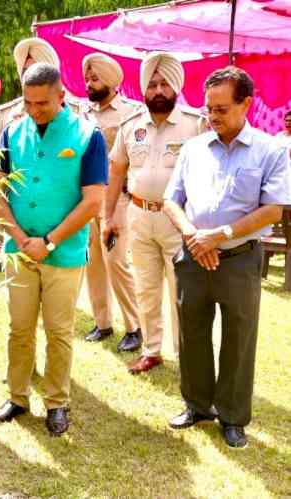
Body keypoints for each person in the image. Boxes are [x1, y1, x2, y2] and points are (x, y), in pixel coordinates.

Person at [164, 67, 291, 448]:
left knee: (239, 337)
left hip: (239, 258)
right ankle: (197, 406)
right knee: (193, 333)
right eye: (208, 109)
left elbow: (274, 210)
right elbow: (172, 200)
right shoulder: (193, 149)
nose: (212, 117)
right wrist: (192, 235)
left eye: (221, 109)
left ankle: (233, 417)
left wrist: (221, 235)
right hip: (192, 255)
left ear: (246, 104)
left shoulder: (271, 150)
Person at [0, 63, 107, 436]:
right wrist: (20, 238)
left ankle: (56, 402)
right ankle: (17, 396)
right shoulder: (11, 131)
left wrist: (50, 241)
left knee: (59, 331)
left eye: (42, 104)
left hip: (64, 253)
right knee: (19, 329)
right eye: (28, 102)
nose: (34, 110)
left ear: (62, 97)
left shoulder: (88, 136)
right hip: (19, 249)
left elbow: (93, 202)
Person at [104, 52, 208, 374]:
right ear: (144, 90)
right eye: (152, 85)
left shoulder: (195, 124)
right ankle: (151, 350)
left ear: (175, 87)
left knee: (183, 293)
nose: (158, 91)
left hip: (179, 221)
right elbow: (116, 172)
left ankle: (187, 354)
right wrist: (108, 217)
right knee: (146, 288)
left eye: (165, 84)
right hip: (139, 216)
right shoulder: (130, 126)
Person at [79, 53, 142, 351]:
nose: (89, 84)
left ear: (112, 81)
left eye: (95, 79)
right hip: (86, 199)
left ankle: (134, 327)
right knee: (93, 263)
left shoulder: (131, 113)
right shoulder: (83, 112)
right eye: (87, 79)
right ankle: (102, 323)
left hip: (117, 200)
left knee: (116, 262)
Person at [0, 37, 81, 151]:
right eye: (26, 70)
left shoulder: (76, 111)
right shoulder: (6, 115)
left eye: (38, 70)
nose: (31, 76)